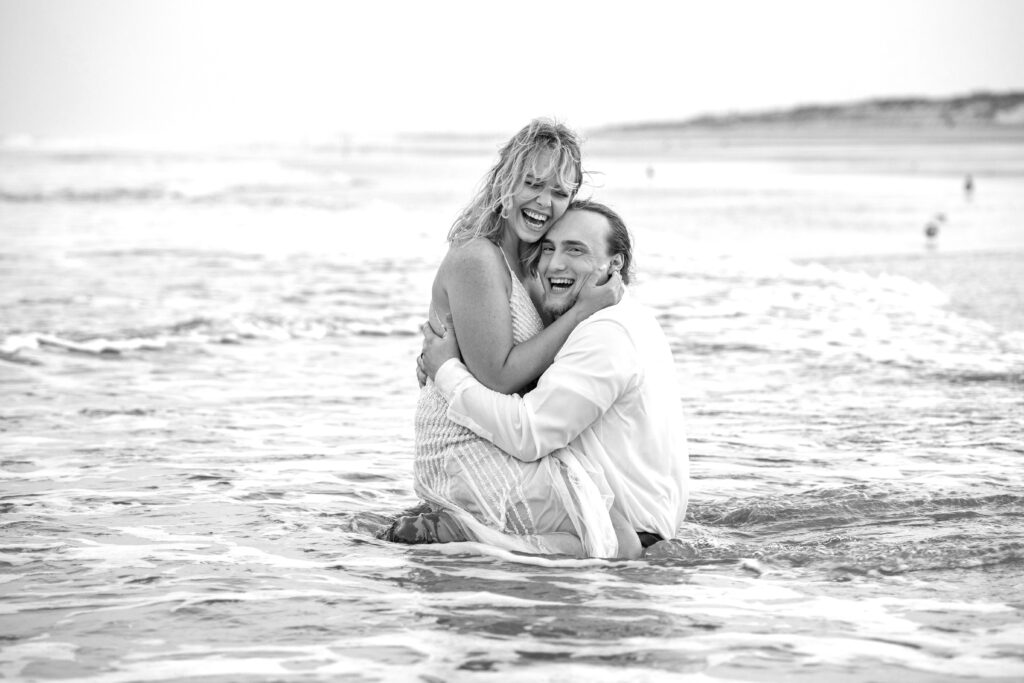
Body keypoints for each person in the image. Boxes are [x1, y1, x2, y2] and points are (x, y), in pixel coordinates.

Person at [388, 119, 627, 557]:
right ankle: (459, 533)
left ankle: (474, 541)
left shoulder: (527, 262)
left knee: (611, 531)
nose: (544, 202)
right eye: (532, 184)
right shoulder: (478, 258)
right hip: (461, 445)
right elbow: (499, 375)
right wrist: (583, 311)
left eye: (559, 192)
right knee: (616, 540)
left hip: (497, 434)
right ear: (505, 183)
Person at [420, 201, 690, 558]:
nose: (555, 264)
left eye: (575, 250)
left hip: (616, 536)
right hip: (610, 520)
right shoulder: (618, 318)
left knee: (441, 542)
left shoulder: (607, 333)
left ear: (615, 263)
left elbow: (529, 432)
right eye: (548, 248)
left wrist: (447, 371)